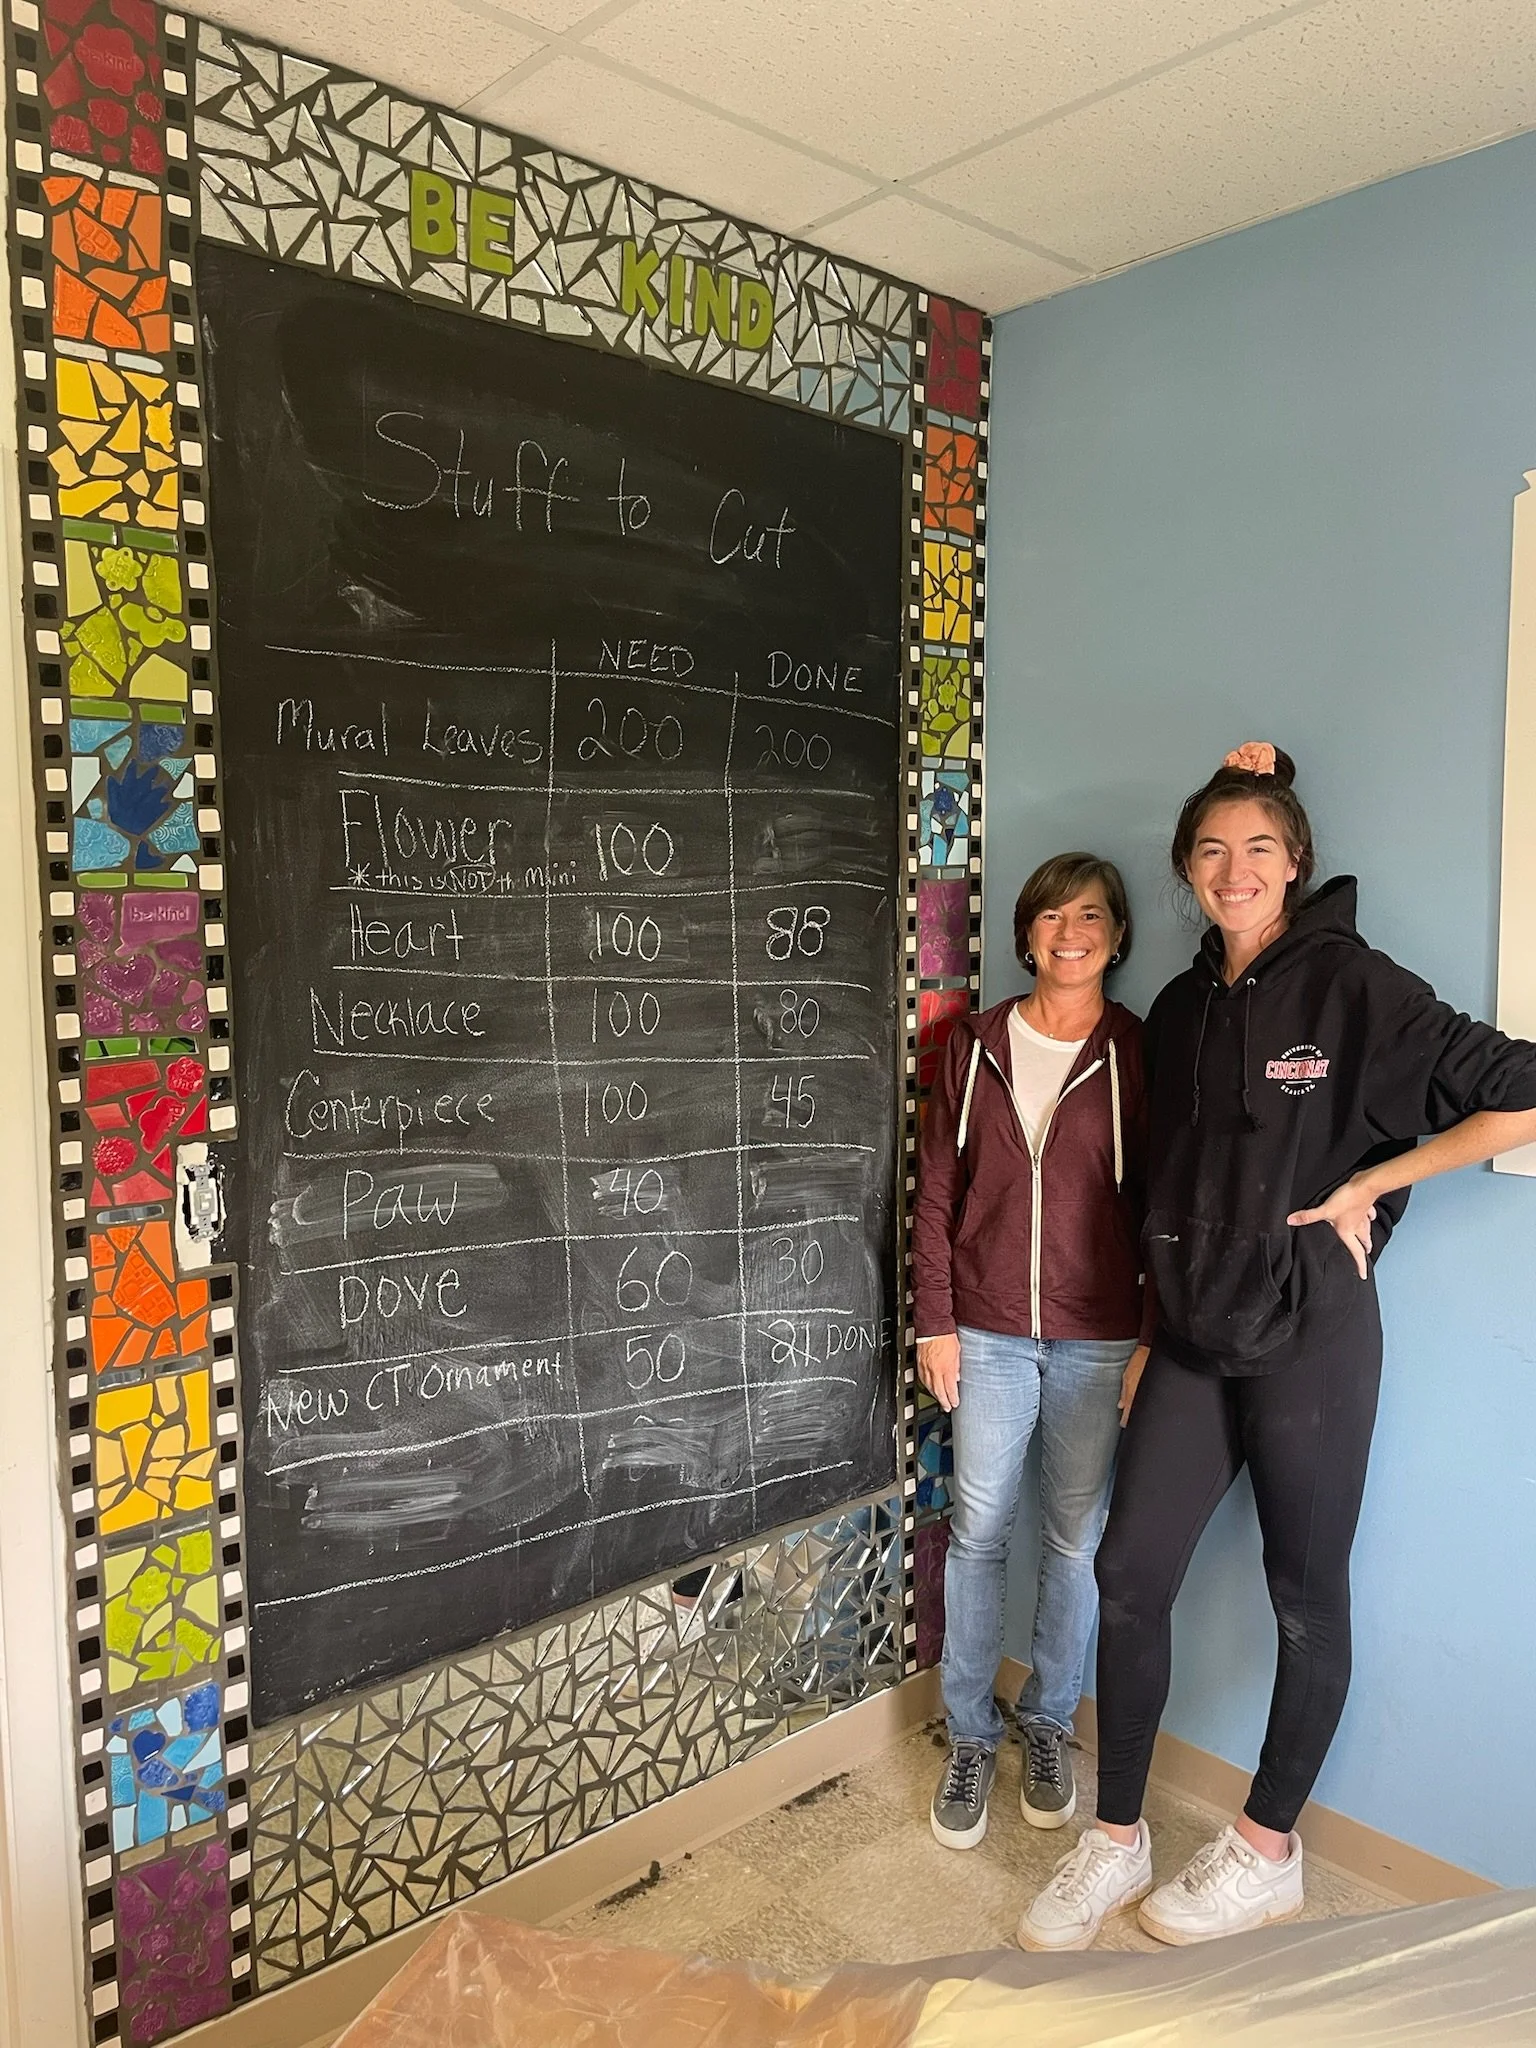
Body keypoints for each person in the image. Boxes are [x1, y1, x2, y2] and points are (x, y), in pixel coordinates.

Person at [1020, 743, 1536, 1954]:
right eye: (1211, 848)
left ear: (1296, 862)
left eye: (1259, 846)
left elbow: (1519, 1085)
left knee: (1305, 1603)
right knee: (1129, 1575)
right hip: (1195, 1338)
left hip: (1314, 1336)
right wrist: (1151, 1332)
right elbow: (1171, 1180)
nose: (1234, 867)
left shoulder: (1356, 985)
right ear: (1187, 873)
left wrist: (1378, 1177)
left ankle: (1267, 1847)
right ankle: (1117, 1835)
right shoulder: (1187, 1008)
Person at [913, 852, 1153, 1851]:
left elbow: (1164, 1207)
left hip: (1101, 1339)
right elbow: (935, 1197)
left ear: (1117, 935)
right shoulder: (967, 1046)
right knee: (978, 1532)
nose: (1071, 929)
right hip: (989, 1331)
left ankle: (1049, 1719)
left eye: (1092, 913)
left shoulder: (1140, 1050)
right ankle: (971, 1732)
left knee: (1075, 1541)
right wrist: (936, 1320)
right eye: (1052, 913)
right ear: (1025, 934)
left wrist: (1151, 1336)